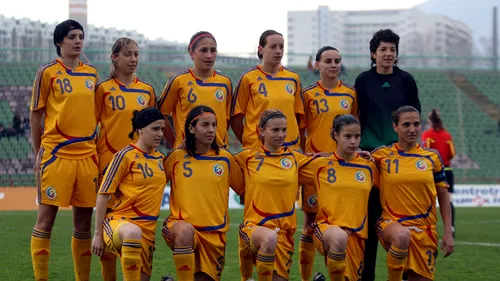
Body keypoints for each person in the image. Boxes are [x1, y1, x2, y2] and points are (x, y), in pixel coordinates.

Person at [30, 19, 98, 281]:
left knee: (83, 225)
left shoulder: (91, 73)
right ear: (59, 42)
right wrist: (39, 152)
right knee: (45, 222)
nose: (78, 41)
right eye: (72, 36)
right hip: (56, 156)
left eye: (81, 36)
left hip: (87, 157)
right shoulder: (47, 72)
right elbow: (36, 116)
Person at [354, 29, 421, 281]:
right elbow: (358, 117)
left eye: (392, 49)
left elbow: (414, 117)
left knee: (403, 220)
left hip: (400, 160)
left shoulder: (406, 80)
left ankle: (406, 273)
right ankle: (367, 276)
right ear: (373, 53)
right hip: (371, 158)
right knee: (370, 221)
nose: (388, 54)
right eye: (383, 49)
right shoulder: (363, 80)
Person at [95, 37, 157, 281]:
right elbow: (92, 126)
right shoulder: (103, 89)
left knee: (136, 227)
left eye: (136, 54)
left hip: (138, 169)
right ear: (114, 58)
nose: (133, 59)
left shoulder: (147, 90)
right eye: (128, 54)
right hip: (108, 165)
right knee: (108, 228)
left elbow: (153, 127)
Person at [162, 105, 244, 281]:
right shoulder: (176, 157)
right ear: (191, 128)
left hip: (214, 235)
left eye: (214, 125)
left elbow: (244, 191)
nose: (211, 130)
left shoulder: (225, 158)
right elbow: (153, 183)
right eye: (205, 125)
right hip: (180, 228)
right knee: (185, 231)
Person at [372, 106, 454, 281]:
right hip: (392, 223)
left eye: (416, 124)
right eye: (406, 124)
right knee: (402, 236)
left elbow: (443, 195)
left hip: (425, 229)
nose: (412, 129)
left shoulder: (432, 157)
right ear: (395, 127)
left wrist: (448, 232)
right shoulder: (381, 156)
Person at [299, 46, 358, 281]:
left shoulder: (351, 94)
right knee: (310, 222)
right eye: (328, 61)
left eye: (337, 61)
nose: (333, 65)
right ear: (317, 65)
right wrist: (307, 155)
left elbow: (354, 129)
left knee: (339, 223)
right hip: (317, 167)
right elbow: (299, 129)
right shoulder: (308, 94)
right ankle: (306, 278)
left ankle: (340, 275)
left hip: (343, 169)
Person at [235, 109, 313, 281]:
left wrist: (355, 156)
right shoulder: (247, 158)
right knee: (269, 239)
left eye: (284, 130)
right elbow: (219, 162)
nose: (281, 134)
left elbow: (326, 162)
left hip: (284, 234)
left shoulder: (295, 158)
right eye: (275, 130)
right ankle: (246, 249)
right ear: (261, 130)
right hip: (255, 227)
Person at [298, 114, 379, 281]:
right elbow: (286, 169)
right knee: (339, 238)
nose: (353, 141)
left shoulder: (370, 166)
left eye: (357, 136)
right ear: (335, 135)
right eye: (347, 136)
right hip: (326, 230)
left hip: (356, 237)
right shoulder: (320, 165)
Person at [92, 107, 166, 281]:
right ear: (140, 129)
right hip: (120, 223)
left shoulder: (161, 159)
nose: (160, 134)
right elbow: (103, 194)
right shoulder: (124, 156)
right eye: (155, 129)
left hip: (147, 231)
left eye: (162, 129)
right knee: (133, 233)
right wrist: (97, 234)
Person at [231, 30, 305, 150]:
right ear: (261, 49)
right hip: (258, 150)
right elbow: (236, 119)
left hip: (289, 149)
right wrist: (251, 143)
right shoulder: (248, 78)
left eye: (281, 47)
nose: (278, 51)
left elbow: (297, 116)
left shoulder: (293, 78)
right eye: (273, 47)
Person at [158, 31, 232, 149]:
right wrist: (175, 143)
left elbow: (226, 118)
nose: (209, 55)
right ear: (191, 53)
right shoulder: (178, 81)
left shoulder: (225, 83)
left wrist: (219, 139)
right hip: (187, 153)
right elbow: (161, 115)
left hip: (218, 154)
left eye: (213, 50)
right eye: (203, 50)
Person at [422, 109, 456, 237]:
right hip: (447, 170)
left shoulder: (427, 134)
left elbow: (426, 151)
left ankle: (427, 227)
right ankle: (451, 228)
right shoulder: (447, 135)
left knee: (428, 200)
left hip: (432, 170)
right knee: (449, 200)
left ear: (430, 121)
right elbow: (452, 153)